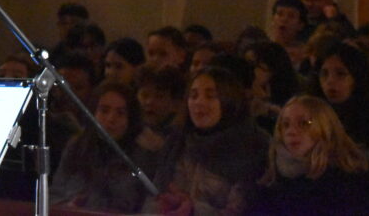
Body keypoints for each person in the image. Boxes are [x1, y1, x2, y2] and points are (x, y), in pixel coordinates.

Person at [149, 66, 268, 215]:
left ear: (229, 101)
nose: (199, 102)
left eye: (210, 96)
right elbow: (154, 197)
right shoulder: (176, 142)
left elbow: (243, 210)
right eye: (193, 96)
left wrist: (193, 210)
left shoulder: (250, 147)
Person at [310, 40, 369, 206]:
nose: (330, 81)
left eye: (340, 74)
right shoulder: (312, 117)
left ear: (356, 78)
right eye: (324, 74)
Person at [248, 96, 369, 215]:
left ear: (325, 128)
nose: (291, 131)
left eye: (304, 123)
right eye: (285, 124)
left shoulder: (345, 183)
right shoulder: (269, 177)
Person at [50, 81, 146, 212]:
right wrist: (68, 207)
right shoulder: (77, 145)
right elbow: (56, 194)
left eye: (120, 113)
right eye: (104, 110)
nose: (111, 119)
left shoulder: (143, 152)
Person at [269, 0, 307, 68]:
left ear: (300, 25)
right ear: (272, 20)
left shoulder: (305, 55)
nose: (284, 19)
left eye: (291, 16)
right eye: (280, 14)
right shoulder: (263, 50)